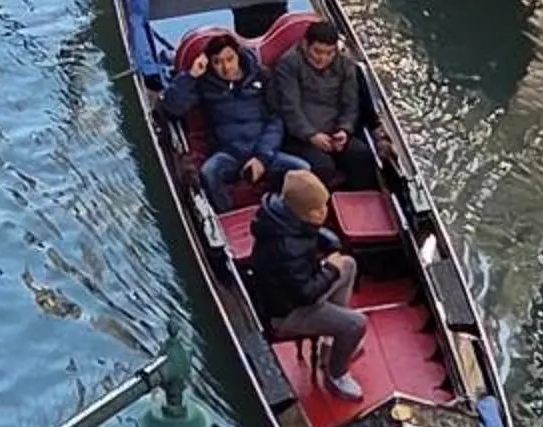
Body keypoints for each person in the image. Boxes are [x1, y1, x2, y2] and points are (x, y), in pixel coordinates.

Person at [249, 169, 368, 397]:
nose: (325, 211)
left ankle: (331, 342)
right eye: (319, 209)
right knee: (357, 323)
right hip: (287, 313)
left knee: (349, 264)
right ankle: (337, 375)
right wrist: (331, 269)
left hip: (294, 293)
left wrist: (333, 265)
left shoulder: (286, 219)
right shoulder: (286, 247)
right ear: (304, 213)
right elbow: (306, 295)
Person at [160, 33, 302, 207]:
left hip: (262, 151)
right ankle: (226, 216)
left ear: (238, 56)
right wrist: (191, 75)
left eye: (229, 59)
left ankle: (280, 210)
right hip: (229, 153)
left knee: (302, 169)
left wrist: (262, 157)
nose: (226, 67)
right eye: (217, 62)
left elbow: (276, 120)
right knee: (209, 173)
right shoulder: (205, 84)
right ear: (209, 63)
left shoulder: (262, 76)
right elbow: (172, 107)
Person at [269, 20, 380, 188]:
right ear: (306, 44)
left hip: (334, 132)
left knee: (361, 154)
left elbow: (350, 103)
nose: (323, 58)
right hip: (299, 136)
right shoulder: (288, 64)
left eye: (329, 53)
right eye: (318, 52)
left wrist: (344, 130)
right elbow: (290, 108)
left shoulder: (345, 63)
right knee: (322, 165)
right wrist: (311, 135)